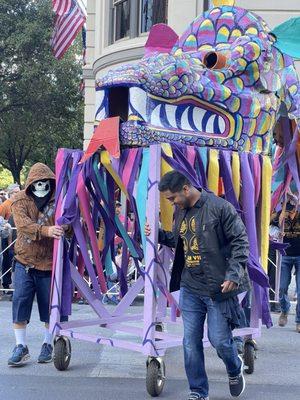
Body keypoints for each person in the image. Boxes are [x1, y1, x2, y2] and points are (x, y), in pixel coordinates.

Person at [145, 171, 250, 400]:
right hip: (190, 287)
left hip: (218, 287)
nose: (171, 202)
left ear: (185, 189)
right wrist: (159, 234)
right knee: (190, 343)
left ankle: (234, 368)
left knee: (220, 341)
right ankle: (198, 392)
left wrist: (233, 274)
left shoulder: (220, 208)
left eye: (172, 198)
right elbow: (180, 241)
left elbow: (240, 241)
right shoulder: (181, 211)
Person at [8, 163, 66, 366]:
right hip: (24, 261)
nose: (41, 186)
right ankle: (20, 346)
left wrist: (64, 228)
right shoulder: (19, 200)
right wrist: (47, 231)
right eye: (37, 183)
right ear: (30, 184)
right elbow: (22, 225)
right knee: (20, 302)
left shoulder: (59, 199)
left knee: (50, 308)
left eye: (45, 183)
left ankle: (47, 344)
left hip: (49, 264)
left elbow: (68, 220)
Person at [271, 196, 300, 333]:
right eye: (287, 202)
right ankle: (285, 309)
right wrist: (278, 231)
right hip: (285, 256)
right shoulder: (280, 215)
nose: (290, 206)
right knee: (281, 288)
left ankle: (299, 320)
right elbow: (270, 228)